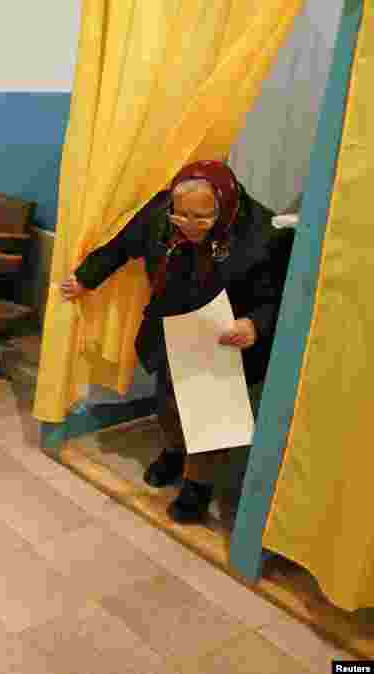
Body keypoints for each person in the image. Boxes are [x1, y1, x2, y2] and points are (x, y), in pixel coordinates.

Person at [60, 160, 290, 523]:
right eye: (181, 215)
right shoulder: (160, 213)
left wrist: (254, 324)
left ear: (226, 206)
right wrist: (86, 277)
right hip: (173, 326)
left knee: (208, 415)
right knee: (168, 405)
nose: (188, 225)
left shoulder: (262, 234)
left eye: (202, 218)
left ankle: (197, 486)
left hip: (224, 336)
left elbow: (277, 298)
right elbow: (121, 247)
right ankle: (173, 452)